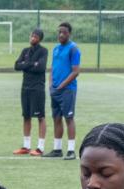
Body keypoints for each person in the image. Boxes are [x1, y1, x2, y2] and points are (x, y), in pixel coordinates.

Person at [45, 23, 80, 160]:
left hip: (67, 90)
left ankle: (71, 151)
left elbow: (76, 71)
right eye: (59, 32)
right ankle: (57, 149)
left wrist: (62, 85)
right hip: (55, 89)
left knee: (69, 118)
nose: (61, 35)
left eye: (64, 32)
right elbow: (53, 68)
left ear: (69, 33)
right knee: (56, 118)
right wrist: (50, 84)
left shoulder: (73, 49)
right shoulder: (56, 49)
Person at [13, 28, 47, 156]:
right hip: (25, 88)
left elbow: (41, 67)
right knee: (26, 116)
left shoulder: (43, 51)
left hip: (37, 88)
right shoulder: (25, 51)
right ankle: (26, 146)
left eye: (35, 36)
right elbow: (16, 65)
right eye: (31, 36)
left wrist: (25, 64)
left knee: (40, 117)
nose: (32, 38)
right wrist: (32, 64)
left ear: (39, 39)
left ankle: (40, 147)